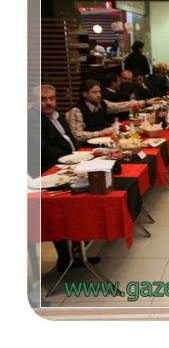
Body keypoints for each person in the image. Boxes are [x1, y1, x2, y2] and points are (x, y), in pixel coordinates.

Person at [29, 85, 101, 272]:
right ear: (33, 102)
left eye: (52, 98)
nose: (48, 103)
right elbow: (44, 149)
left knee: (78, 205)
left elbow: (70, 139)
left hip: (68, 164)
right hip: (46, 171)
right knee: (59, 212)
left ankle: (78, 250)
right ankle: (65, 257)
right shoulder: (32, 120)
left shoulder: (58, 116)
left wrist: (79, 155)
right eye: (43, 99)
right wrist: (72, 158)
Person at [66, 79, 161, 142]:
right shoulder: (76, 110)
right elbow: (77, 135)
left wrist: (146, 102)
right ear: (84, 94)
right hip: (88, 147)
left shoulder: (102, 103)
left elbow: (121, 106)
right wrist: (100, 133)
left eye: (99, 92)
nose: (99, 95)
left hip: (106, 140)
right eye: (94, 92)